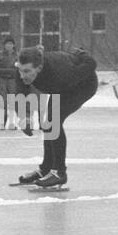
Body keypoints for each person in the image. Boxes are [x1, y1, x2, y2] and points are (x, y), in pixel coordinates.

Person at [14, 45, 98, 189]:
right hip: (58, 87)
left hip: (82, 86)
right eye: (21, 70)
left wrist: (80, 53)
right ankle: (46, 169)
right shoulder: (22, 69)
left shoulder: (62, 73)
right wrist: (24, 117)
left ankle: (59, 172)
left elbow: (91, 64)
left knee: (53, 123)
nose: (23, 76)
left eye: (27, 71)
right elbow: (20, 93)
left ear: (39, 68)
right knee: (48, 125)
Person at [0, 36, 23, 130]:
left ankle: (12, 123)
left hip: (13, 80)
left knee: (12, 101)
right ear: (4, 45)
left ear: (13, 45)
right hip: (1, 80)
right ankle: (2, 122)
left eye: (11, 44)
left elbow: (21, 67)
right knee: (2, 101)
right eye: (7, 44)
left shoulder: (17, 56)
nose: (9, 46)